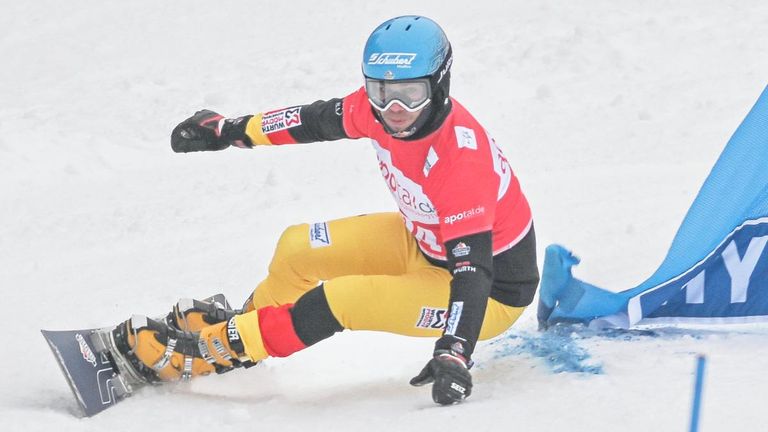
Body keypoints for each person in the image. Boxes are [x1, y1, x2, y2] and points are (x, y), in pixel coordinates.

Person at [112, 15, 539, 406]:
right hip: (427, 244)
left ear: (440, 84)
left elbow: (473, 272)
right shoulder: (377, 110)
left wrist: (454, 350)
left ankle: (215, 350)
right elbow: (311, 120)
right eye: (380, 91)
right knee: (298, 246)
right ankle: (248, 327)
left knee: (339, 301)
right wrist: (228, 131)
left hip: (488, 294)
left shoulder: (461, 162)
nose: (394, 111)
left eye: (411, 94)